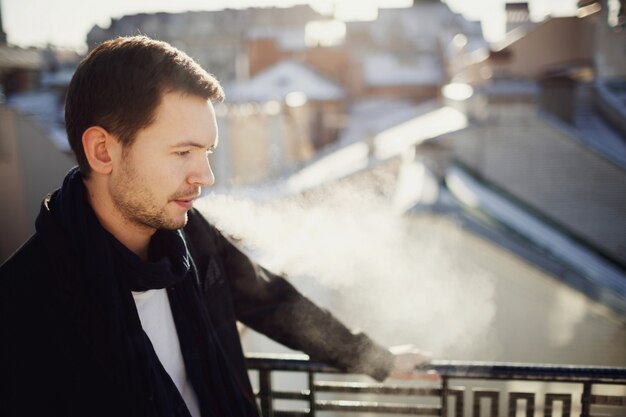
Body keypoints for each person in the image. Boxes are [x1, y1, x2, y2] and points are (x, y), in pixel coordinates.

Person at [0, 36, 435, 417]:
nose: (205, 176)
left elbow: (269, 299)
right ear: (102, 151)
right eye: (183, 152)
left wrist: (371, 358)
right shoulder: (23, 305)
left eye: (207, 151)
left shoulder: (190, 237)